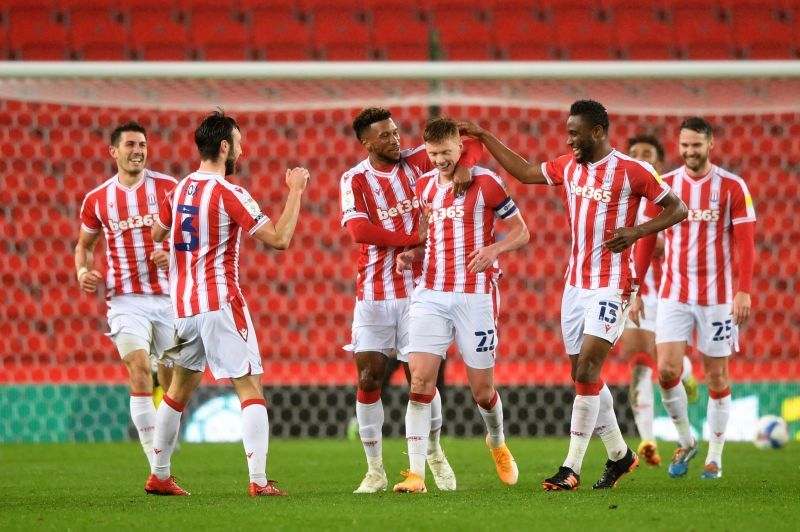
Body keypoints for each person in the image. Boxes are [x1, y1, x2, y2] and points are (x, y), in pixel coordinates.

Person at [458, 100, 688, 491]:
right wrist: (483, 136)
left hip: (613, 284)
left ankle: (571, 467)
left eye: (575, 132)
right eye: (568, 132)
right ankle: (620, 455)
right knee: (585, 378)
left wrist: (637, 232)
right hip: (575, 285)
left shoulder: (633, 172)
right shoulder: (569, 166)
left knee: (585, 372)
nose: (569, 139)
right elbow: (526, 172)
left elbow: (678, 208)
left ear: (597, 131)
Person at [144, 110, 310, 497]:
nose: (243, 147)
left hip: (184, 306)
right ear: (223, 147)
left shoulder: (180, 189)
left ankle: (160, 475)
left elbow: (157, 230)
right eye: (238, 141)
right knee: (250, 385)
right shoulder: (230, 193)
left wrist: (180, 247)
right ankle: (258, 481)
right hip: (220, 301)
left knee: (178, 391)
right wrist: (296, 191)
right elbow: (279, 239)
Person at [341, 107, 482, 493]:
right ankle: (375, 470)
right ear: (366, 143)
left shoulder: (419, 160)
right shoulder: (354, 179)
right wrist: (411, 238)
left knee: (420, 381)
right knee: (368, 378)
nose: (394, 139)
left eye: (395, 132)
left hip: (420, 291)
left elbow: (467, 143)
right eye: (384, 136)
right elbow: (358, 230)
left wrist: (466, 164)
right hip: (373, 293)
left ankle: (433, 453)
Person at [392, 117, 530, 494]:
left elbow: (522, 231)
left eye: (446, 152)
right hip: (431, 294)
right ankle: (416, 474)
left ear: (460, 147)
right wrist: (412, 257)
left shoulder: (486, 182)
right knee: (420, 379)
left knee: (482, 391)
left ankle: (497, 442)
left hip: (476, 296)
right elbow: (434, 240)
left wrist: (494, 249)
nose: (440, 160)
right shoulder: (423, 188)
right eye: (433, 153)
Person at [633, 117, 755, 480]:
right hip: (673, 295)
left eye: (696, 145)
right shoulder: (666, 185)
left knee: (716, 376)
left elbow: (745, 242)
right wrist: (636, 288)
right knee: (667, 371)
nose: (689, 152)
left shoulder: (732, 186)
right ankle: (686, 440)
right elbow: (644, 239)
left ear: (710, 144)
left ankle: (715, 456)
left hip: (717, 299)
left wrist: (743, 289)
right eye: (684, 145)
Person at [75, 121, 176, 472]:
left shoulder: (168, 188)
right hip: (124, 299)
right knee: (137, 370)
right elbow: (84, 246)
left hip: (168, 298)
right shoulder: (98, 199)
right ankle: (156, 463)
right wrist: (82, 272)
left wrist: (173, 255)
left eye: (143, 144)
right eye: (131, 144)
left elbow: (192, 236)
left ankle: (163, 447)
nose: (138, 150)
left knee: (172, 382)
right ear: (113, 151)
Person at [623, 135, 697, 467]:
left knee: (668, 367)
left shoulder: (672, 198)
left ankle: (687, 372)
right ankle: (648, 439)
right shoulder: (620, 198)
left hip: (668, 295)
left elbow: (686, 247)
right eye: (634, 154)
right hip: (634, 292)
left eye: (648, 155)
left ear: (660, 163)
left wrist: (656, 244)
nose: (641, 159)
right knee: (640, 362)